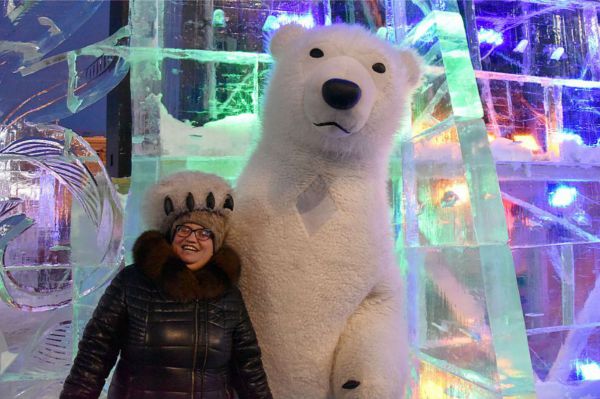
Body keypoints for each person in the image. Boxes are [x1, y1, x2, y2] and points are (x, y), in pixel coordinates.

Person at [60, 171, 272, 399]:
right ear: (171, 234)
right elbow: (95, 354)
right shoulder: (133, 282)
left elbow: (248, 367)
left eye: (204, 233)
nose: (192, 238)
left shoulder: (228, 296)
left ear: (216, 244)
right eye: (184, 229)